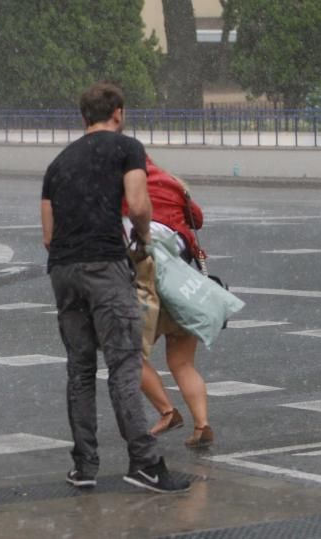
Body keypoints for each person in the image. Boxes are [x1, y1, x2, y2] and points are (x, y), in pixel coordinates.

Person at [40, 82, 190, 494]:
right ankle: (144, 463)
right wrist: (141, 238)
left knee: (80, 369)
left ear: (82, 117)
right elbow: (140, 204)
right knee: (124, 365)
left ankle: (84, 465)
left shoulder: (58, 163)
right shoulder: (127, 148)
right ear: (118, 113)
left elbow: (48, 235)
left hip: (63, 272)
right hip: (105, 266)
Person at [126, 156, 214, 449]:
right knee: (183, 362)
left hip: (147, 285)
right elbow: (197, 219)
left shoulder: (123, 184)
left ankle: (167, 411)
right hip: (181, 285)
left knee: (129, 355)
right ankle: (202, 425)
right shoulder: (172, 183)